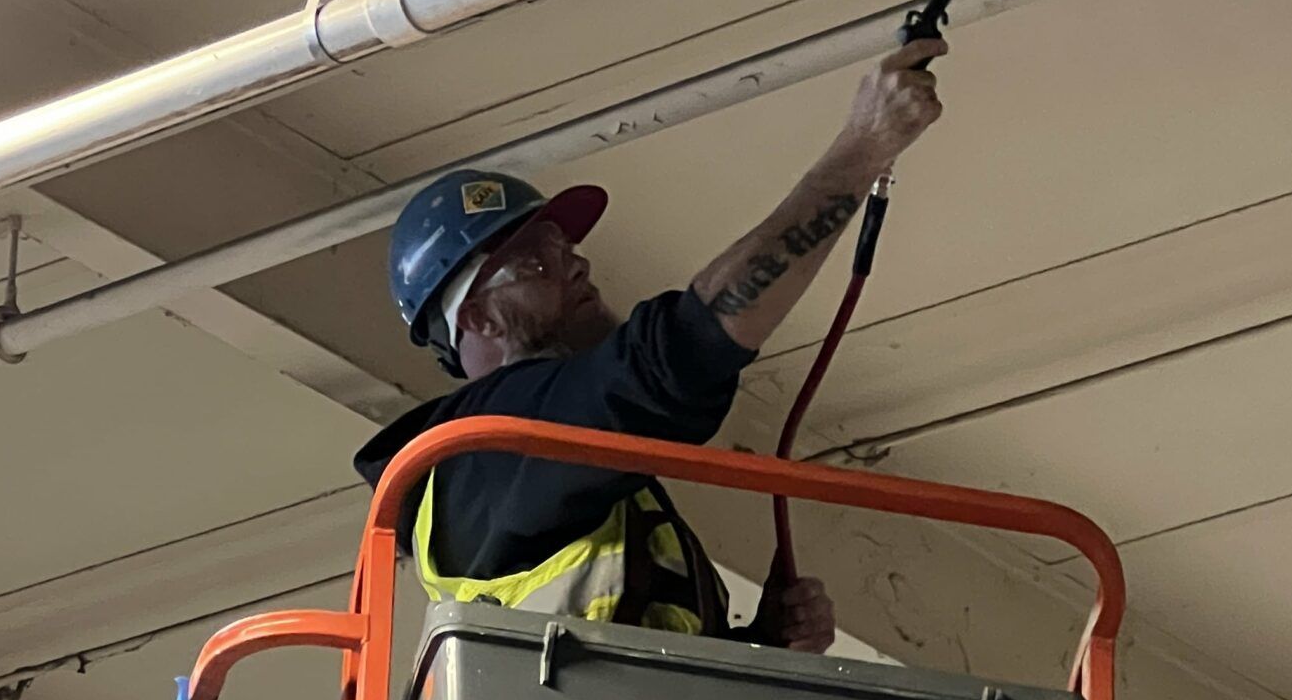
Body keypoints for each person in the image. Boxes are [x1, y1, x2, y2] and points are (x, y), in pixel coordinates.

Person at [354, 40, 945, 649]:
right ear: (478, 319)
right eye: (537, 261)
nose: (577, 264)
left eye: (565, 246)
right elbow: (678, 356)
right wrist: (861, 149)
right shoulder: (485, 448)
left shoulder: (558, 474)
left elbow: (624, 663)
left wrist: (762, 641)